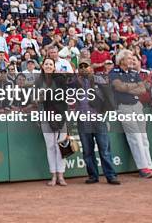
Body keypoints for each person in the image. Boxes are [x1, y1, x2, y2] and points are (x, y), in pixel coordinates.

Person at [110, 50, 152, 178]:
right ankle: (143, 168)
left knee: (143, 137)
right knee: (135, 137)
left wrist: (128, 87)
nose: (131, 60)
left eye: (132, 58)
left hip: (137, 106)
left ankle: (149, 166)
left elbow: (142, 90)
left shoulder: (134, 73)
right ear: (121, 60)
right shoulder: (114, 73)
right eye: (129, 58)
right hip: (123, 107)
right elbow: (119, 87)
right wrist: (134, 86)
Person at [74, 58, 121, 185]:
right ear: (78, 69)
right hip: (83, 119)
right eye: (81, 66)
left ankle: (111, 175)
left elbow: (108, 95)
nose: (83, 68)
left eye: (86, 66)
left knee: (104, 149)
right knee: (87, 150)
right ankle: (93, 175)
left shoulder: (99, 79)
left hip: (98, 118)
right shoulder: (74, 82)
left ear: (91, 68)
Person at [35, 57, 68, 186]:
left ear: (54, 67)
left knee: (61, 145)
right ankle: (53, 175)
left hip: (60, 114)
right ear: (43, 66)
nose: (48, 66)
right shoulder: (39, 80)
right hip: (45, 114)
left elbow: (63, 95)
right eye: (46, 64)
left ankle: (61, 175)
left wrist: (46, 95)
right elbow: (36, 98)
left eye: (51, 64)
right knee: (50, 146)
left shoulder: (60, 78)